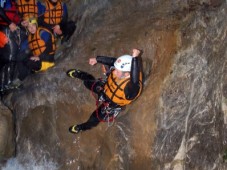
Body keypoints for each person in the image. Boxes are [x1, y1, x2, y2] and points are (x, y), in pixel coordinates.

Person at [67, 49, 143, 134]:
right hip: (107, 87)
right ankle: (80, 74)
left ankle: (81, 127)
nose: (114, 72)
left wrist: (135, 58)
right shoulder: (122, 71)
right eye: (116, 69)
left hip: (112, 102)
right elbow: (112, 61)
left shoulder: (131, 90)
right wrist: (97, 59)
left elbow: (135, 81)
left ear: (126, 74)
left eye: (117, 71)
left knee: (95, 118)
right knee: (88, 83)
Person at [11, 17, 56, 86]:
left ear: (36, 25)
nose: (31, 28)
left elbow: (50, 48)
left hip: (47, 59)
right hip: (38, 58)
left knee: (30, 62)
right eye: (29, 27)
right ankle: (22, 76)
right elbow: (28, 48)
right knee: (20, 57)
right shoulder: (30, 37)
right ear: (27, 29)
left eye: (33, 26)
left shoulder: (43, 33)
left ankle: (25, 76)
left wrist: (39, 57)